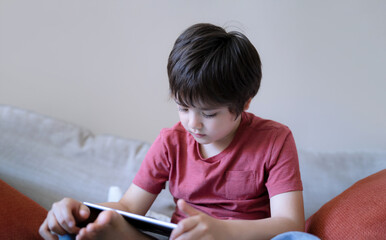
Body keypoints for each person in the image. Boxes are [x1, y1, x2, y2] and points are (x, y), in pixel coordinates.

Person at [39, 23, 316, 240]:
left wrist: (222, 232)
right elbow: (130, 206)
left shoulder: (274, 139)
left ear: (244, 103)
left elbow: (290, 222)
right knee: (80, 230)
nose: (192, 123)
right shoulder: (171, 142)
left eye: (208, 114)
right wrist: (81, 211)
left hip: (246, 238)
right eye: (183, 107)